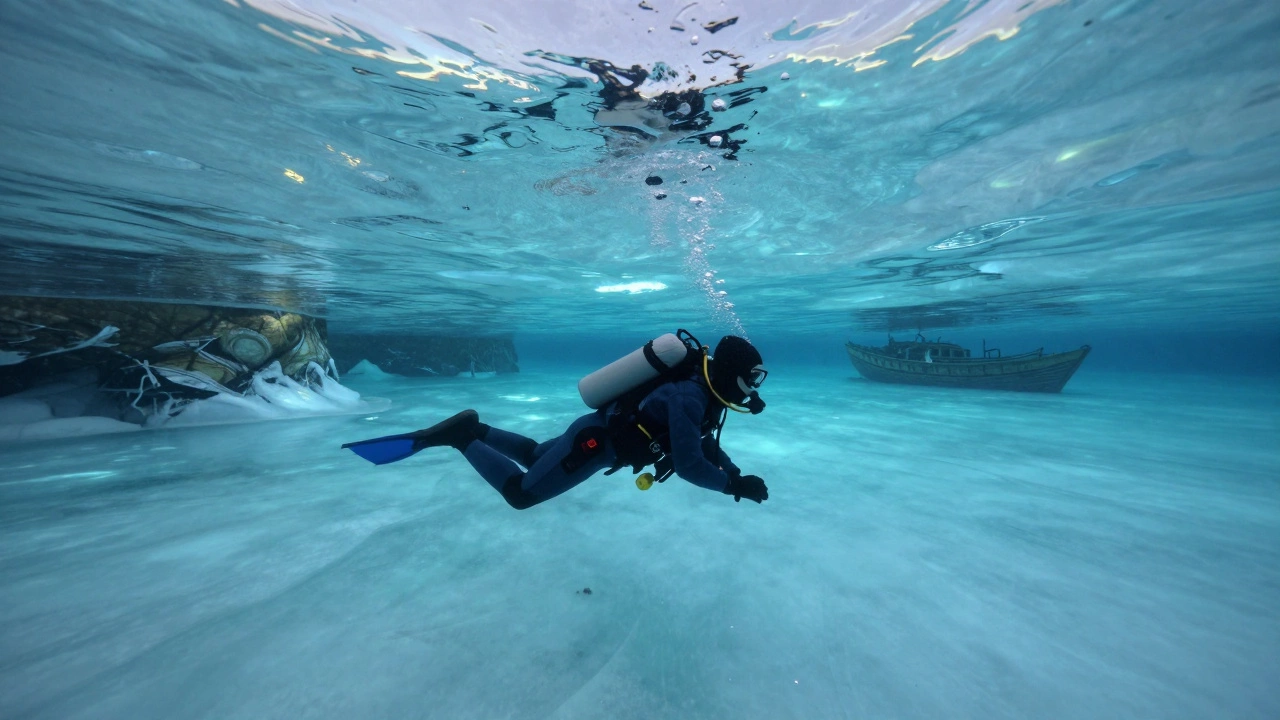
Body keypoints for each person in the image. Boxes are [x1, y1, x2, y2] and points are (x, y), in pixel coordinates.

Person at [343, 335, 770, 509]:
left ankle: (478, 429)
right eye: (752, 380)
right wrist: (731, 485)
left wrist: (734, 474)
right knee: (522, 495)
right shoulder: (689, 396)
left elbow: (700, 446)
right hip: (593, 446)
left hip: (594, 431)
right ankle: (462, 437)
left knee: (532, 455)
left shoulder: (701, 393)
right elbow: (692, 462)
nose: (754, 390)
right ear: (731, 373)